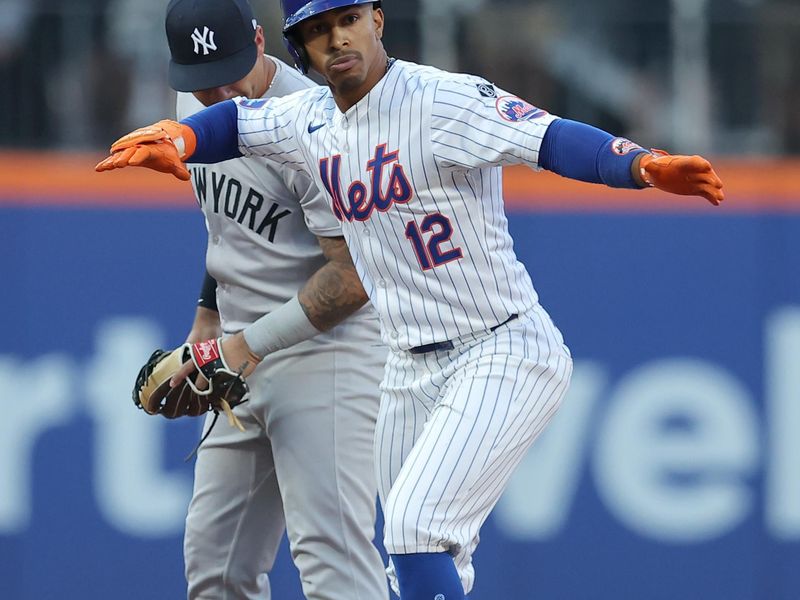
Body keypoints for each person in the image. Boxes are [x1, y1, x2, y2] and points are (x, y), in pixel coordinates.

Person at [97, 1, 725, 597]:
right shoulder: (308, 119)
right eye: (319, 29)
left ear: (377, 19)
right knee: (416, 560)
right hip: (406, 367)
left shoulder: (441, 100)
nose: (338, 39)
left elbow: (549, 138)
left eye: (348, 20)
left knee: (412, 525)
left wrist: (640, 164)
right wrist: (180, 139)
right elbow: (234, 123)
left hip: (498, 347)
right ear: (300, 45)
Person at [155, 1, 390, 599]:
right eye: (201, 80)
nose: (220, 91)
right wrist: (205, 327)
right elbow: (224, 230)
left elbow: (354, 281)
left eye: (232, 69)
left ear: (261, 40)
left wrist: (242, 345)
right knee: (216, 566)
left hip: (326, 356)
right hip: (236, 353)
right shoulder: (192, 106)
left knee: (333, 565)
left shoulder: (313, 128)